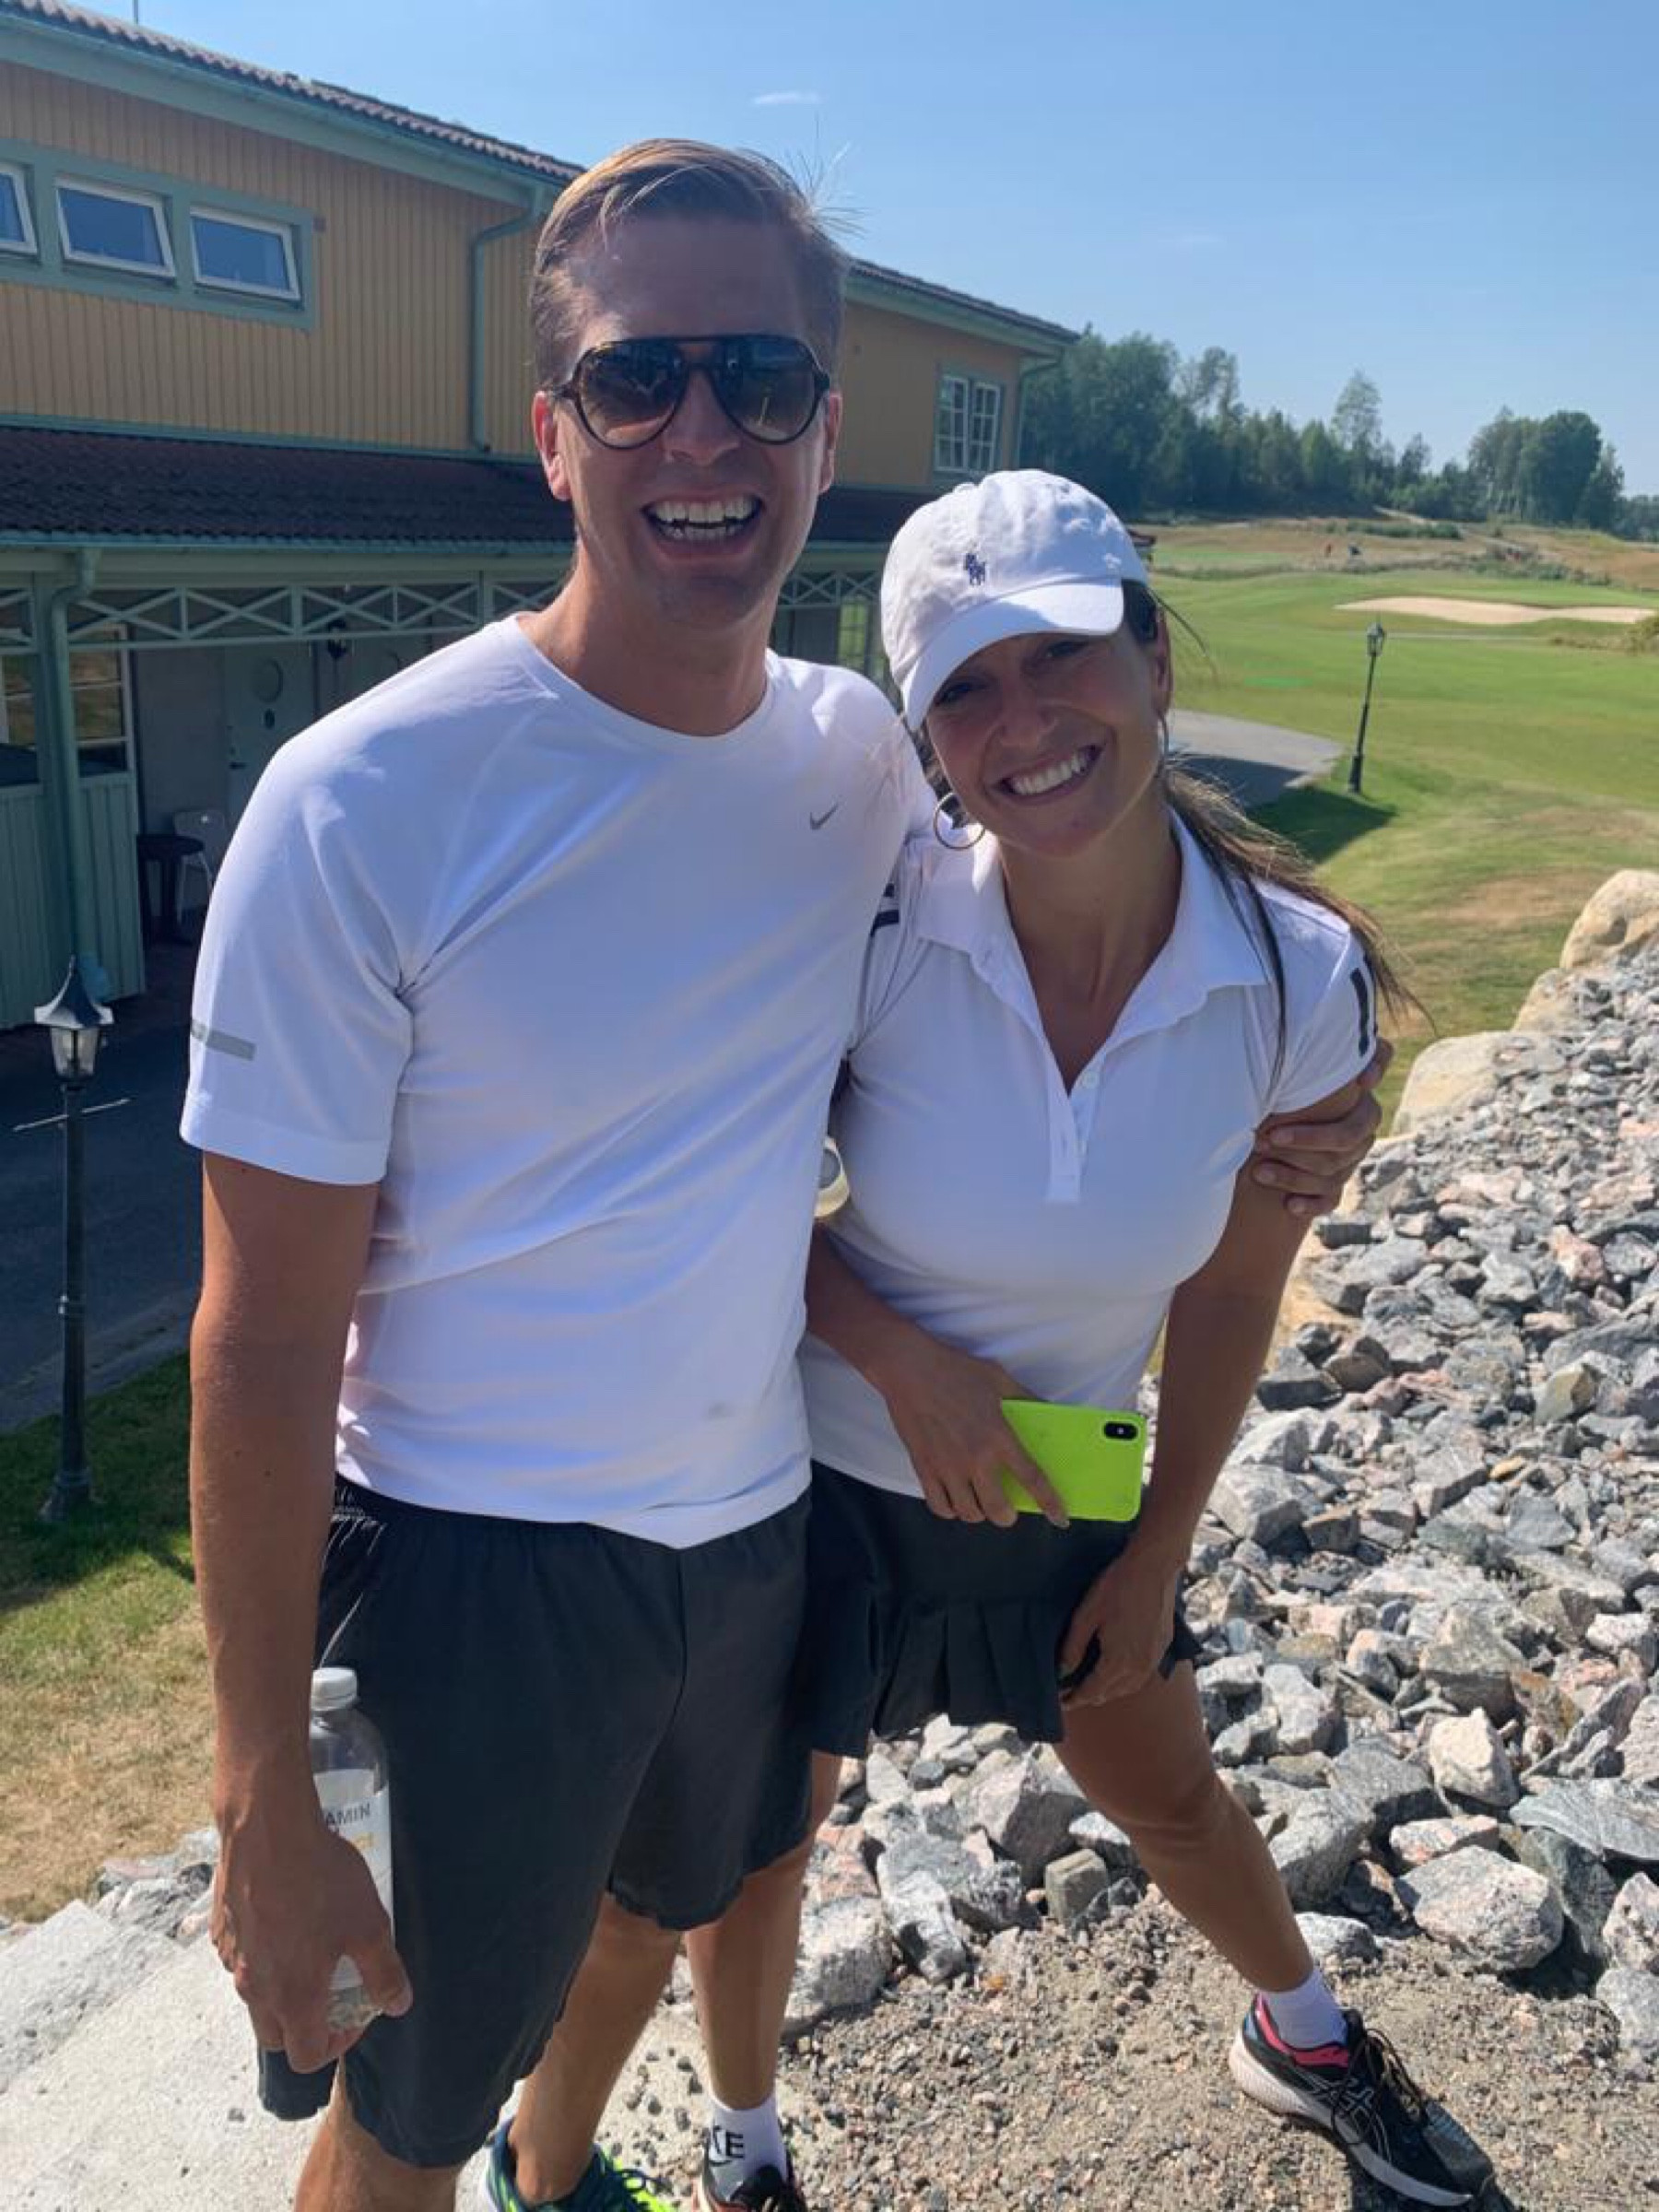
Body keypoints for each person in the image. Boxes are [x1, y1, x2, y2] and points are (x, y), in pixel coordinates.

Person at [184, 141, 1380, 2212]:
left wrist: (1323, 1054)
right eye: (637, 378)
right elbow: (263, 1339)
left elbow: (1093, 852)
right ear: (553, 432)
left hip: (750, 1541)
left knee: (646, 1931)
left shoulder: (854, 764)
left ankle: (575, 2180)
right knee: (402, 2111)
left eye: (756, 377)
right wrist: (260, 1789)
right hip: (484, 1568)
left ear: (825, 433)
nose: (701, 432)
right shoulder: (361, 799)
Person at [690, 472, 1491, 2212]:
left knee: (1170, 1789)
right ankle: (744, 2149)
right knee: (765, 1843)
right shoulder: (874, 927)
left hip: (1069, 1477)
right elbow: (718, 1201)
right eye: (967, 687)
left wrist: (1159, 1550)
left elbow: (1229, 1292)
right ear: (923, 737)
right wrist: (905, 1363)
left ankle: (1304, 2035)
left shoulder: (1298, 981)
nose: (1024, 722)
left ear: (1155, 662)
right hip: (804, 1474)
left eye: (1061, 654)